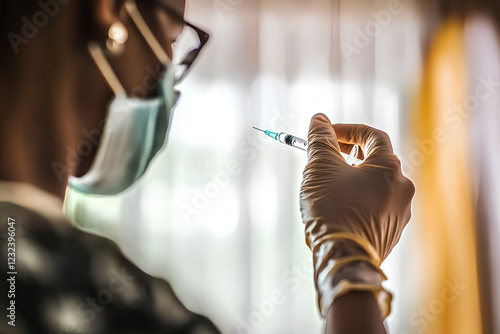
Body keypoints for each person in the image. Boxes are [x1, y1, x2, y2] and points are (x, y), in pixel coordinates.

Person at [0, 0, 415, 333]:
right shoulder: (90, 290)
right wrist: (348, 259)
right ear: (112, 11)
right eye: (174, 38)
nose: (169, 74)